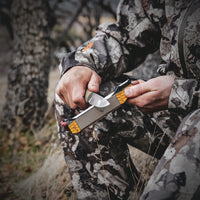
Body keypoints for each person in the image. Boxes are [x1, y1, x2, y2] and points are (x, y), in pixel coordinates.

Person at [55, 0, 200, 199]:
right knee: (76, 97)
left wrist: (182, 93)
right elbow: (125, 33)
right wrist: (80, 64)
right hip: (172, 115)